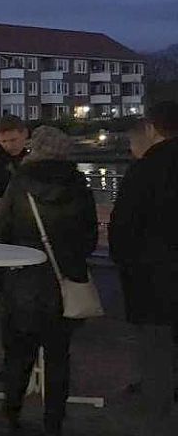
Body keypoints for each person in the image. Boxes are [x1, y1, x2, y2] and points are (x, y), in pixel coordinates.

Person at [0, 126, 97, 436]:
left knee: (18, 353)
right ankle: (54, 421)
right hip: (64, 283)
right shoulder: (79, 185)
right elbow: (89, 238)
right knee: (58, 356)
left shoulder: (20, 183)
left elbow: (1, 234)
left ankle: (12, 412)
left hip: (22, 282)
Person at [109, 102, 178, 435]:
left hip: (154, 279)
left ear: (151, 130)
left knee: (157, 350)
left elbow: (123, 228)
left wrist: (126, 263)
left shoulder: (146, 171)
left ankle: (160, 416)